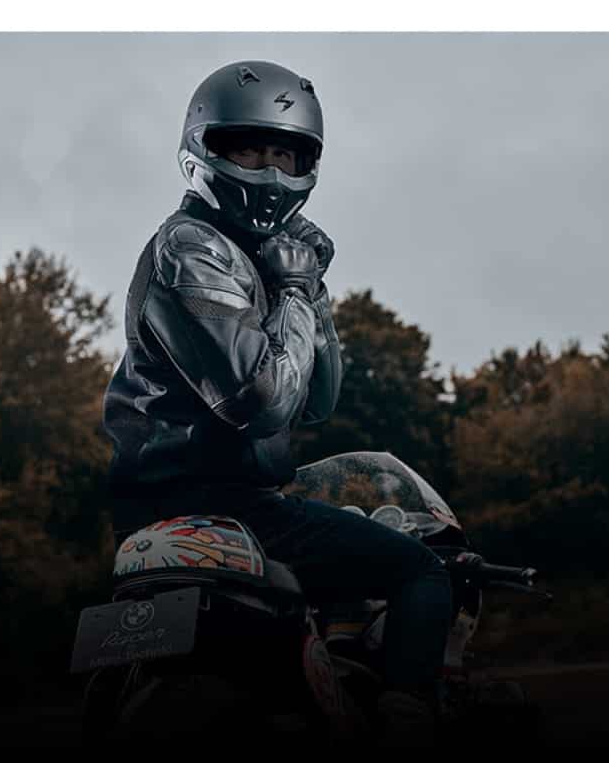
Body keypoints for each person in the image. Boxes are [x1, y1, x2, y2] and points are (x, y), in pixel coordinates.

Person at [102, 60, 453, 734]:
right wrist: (293, 290)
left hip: (174, 506)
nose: (269, 171)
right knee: (420, 571)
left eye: (285, 154)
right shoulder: (193, 245)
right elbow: (263, 404)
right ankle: (407, 721)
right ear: (205, 149)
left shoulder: (243, 252)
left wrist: (312, 291)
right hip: (217, 506)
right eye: (249, 150)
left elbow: (318, 399)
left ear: (307, 163)